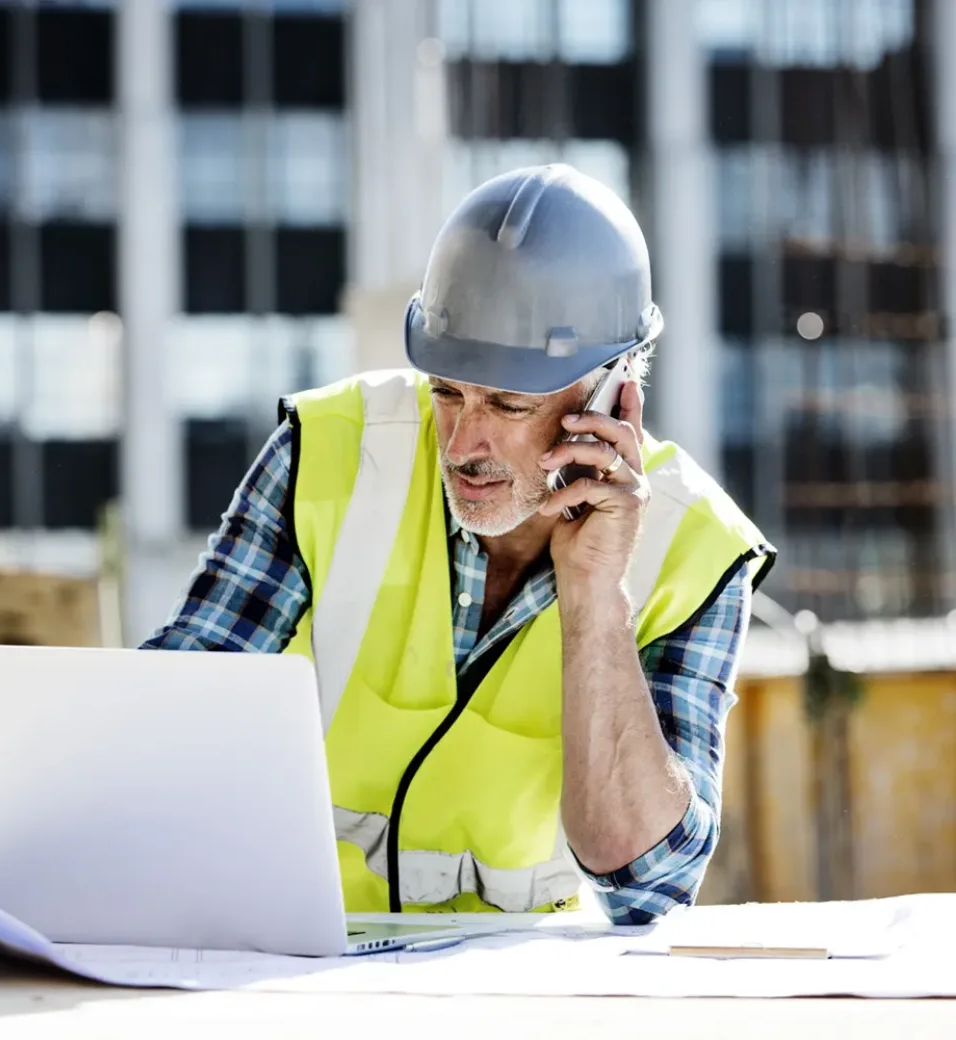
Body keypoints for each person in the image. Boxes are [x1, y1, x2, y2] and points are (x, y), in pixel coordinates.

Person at [142, 164, 776, 924]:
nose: (464, 442)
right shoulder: (327, 453)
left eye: (509, 403)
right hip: (290, 965)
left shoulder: (696, 549)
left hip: (511, 1002)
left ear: (615, 398)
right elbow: (169, 728)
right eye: (447, 391)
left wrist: (596, 600)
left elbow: (648, 884)